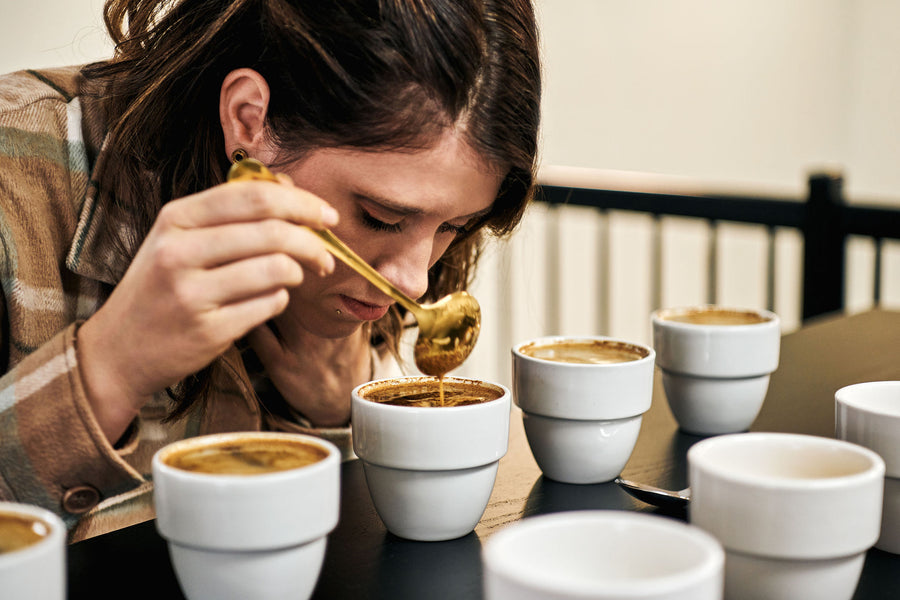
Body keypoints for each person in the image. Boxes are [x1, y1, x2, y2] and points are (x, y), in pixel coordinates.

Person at [0, 0, 540, 539]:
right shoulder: (14, 171)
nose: (414, 282)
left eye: (455, 227)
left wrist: (336, 414)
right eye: (379, 216)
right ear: (248, 119)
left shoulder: (362, 285)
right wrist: (112, 367)